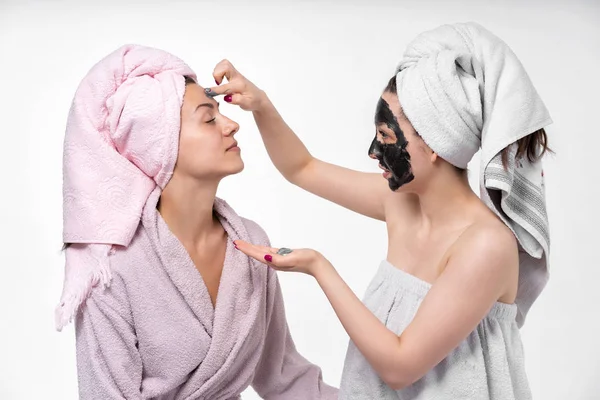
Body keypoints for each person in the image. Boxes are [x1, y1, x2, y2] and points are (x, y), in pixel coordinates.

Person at [210, 22, 552, 399]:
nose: (374, 151)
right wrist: (260, 105)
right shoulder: (402, 202)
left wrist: (317, 267)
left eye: (386, 137)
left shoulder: (486, 245)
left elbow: (399, 366)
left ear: (436, 143)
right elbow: (301, 169)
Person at [55, 44, 337, 399]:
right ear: (161, 145)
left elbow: (286, 380)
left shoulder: (250, 242)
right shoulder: (113, 269)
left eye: (222, 113)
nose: (232, 125)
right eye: (208, 118)